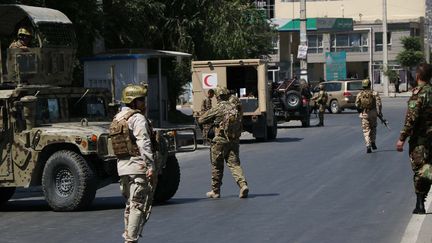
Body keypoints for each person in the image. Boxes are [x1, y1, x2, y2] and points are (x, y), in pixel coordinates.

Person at [110, 84, 156, 243]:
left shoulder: (118, 117)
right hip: (138, 167)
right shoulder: (137, 118)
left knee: (130, 205)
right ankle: (131, 240)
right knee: (137, 205)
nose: (144, 103)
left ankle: (128, 236)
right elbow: (144, 143)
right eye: (141, 100)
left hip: (122, 169)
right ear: (134, 101)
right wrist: (151, 165)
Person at [198, 86, 249, 199]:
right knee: (234, 164)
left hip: (220, 141)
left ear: (217, 96)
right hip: (234, 139)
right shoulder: (234, 107)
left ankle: (215, 191)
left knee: (217, 165)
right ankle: (243, 185)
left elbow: (201, 119)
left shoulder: (218, 108)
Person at [396, 63, 432, 214]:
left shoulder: (419, 94)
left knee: (420, 170)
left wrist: (402, 138)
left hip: (420, 140)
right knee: (427, 166)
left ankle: (420, 203)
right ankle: (421, 201)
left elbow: (412, 118)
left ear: (418, 76)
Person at [355, 78, 382, 153]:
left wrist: (360, 110)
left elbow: (357, 104)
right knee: (373, 128)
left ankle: (368, 145)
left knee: (366, 130)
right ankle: (373, 141)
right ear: (370, 85)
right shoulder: (374, 93)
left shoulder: (360, 94)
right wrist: (379, 112)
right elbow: (379, 104)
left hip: (364, 113)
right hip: (373, 113)